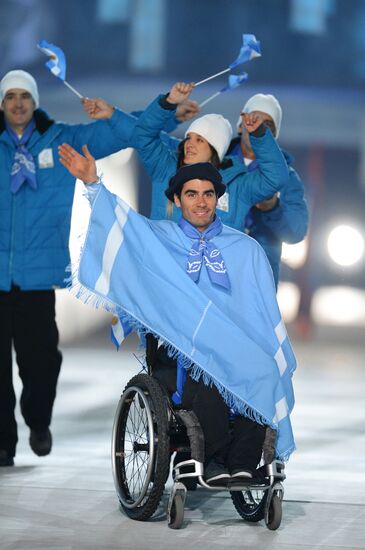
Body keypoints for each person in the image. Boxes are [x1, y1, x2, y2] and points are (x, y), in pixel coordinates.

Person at [58, 143, 296, 485]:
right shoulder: (159, 237)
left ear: (218, 199)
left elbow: (260, 312)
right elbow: (123, 229)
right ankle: (213, 460)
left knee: (264, 370)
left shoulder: (244, 248)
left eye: (208, 194)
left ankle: (242, 462)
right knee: (207, 371)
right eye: (191, 194)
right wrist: (94, 183)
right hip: (178, 353)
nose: (201, 202)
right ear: (177, 200)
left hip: (233, 347)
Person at [0, 70, 146, 467]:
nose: (17, 103)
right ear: (2, 103)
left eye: (23, 96)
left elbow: (120, 136)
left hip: (36, 279)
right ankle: (3, 442)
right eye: (9, 96)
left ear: (33, 102)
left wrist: (163, 108)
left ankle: (38, 421)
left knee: (41, 363)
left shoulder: (59, 139)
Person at [227, 93, 308, 288]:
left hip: (258, 281)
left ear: (274, 135)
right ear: (240, 124)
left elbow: (296, 232)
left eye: (267, 125)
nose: (257, 127)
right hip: (214, 272)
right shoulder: (214, 164)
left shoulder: (287, 178)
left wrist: (272, 208)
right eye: (253, 119)